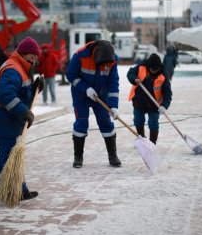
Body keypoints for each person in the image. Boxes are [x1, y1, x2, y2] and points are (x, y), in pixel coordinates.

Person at [0, 37, 44, 201]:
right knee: (11, 155)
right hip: (2, 118)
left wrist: (34, 88)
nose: (34, 61)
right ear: (24, 55)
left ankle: (1, 187)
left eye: (36, 58)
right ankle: (17, 189)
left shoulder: (20, 68)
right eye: (32, 57)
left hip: (4, 118)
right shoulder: (13, 68)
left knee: (5, 153)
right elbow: (6, 95)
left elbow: (21, 93)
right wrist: (23, 112)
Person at [66, 40, 122, 168]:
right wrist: (85, 88)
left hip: (101, 95)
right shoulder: (80, 56)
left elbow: (113, 84)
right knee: (81, 123)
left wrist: (113, 106)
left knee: (106, 123)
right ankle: (78, 157)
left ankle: (113, 156)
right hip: (81, 95)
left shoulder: (112, 61)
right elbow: (70, 75)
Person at [127, 53, 172, 144]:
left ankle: (152, 142)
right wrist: (134, 78)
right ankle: (141, 139)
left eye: (156, 69)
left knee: (153, 122)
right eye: (152, 69)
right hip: (139, 102)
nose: (154, 71)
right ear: (148, 66)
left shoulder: (163, 77)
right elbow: (130, 73)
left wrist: (164, 106)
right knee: (138, 120)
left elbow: (168, 94)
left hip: (154, 104)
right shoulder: (141, 68)